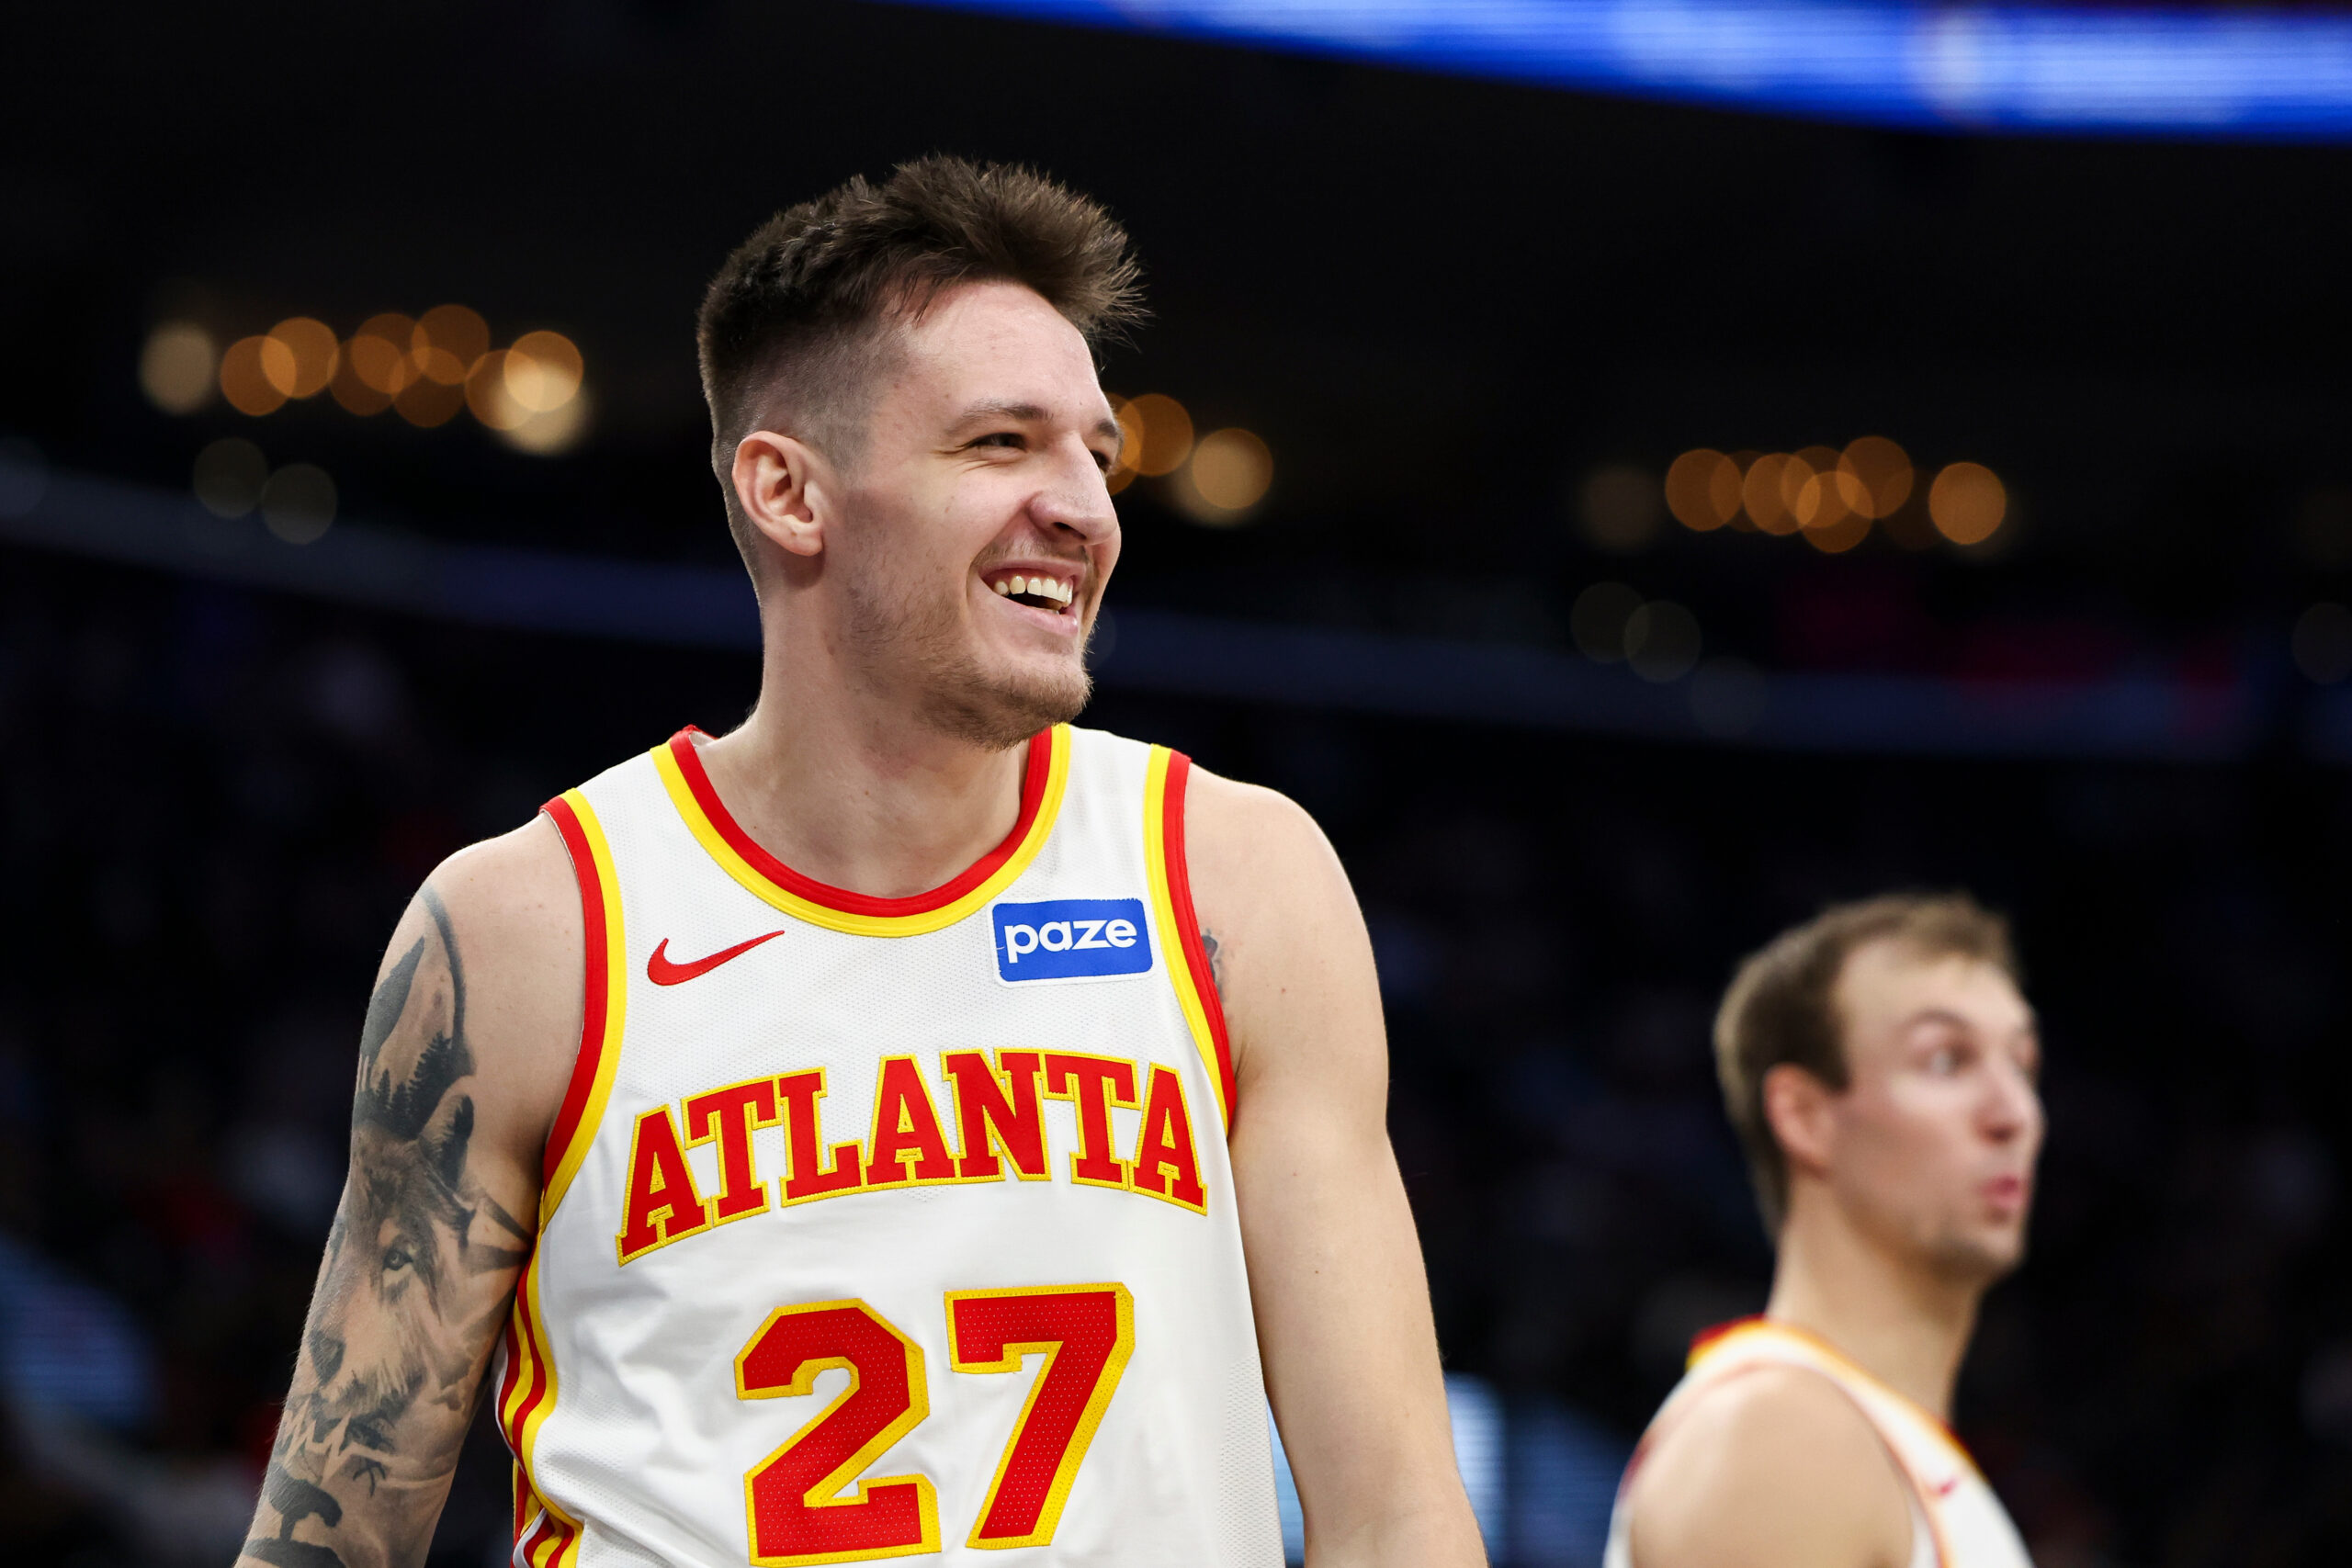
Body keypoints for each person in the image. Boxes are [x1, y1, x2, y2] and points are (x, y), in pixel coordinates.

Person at [235, 157, 1483, 1568]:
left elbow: (1396, 1519)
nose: (1086, 508)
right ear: (787, 491)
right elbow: (330, 1540)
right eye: (1002, 442)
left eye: (1096, 451)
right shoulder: (530, 927)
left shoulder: (1236, 881)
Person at [1605, 894, 2041, 1568]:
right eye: (1947, 1059)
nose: (2014, 1111)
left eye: (2022, 1063)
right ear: (1805, 1115)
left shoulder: (1873, 1443)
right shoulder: (1783, 1437)